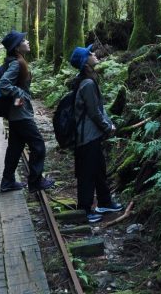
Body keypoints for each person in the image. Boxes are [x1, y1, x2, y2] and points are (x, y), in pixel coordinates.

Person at [68, 45, 123, 223]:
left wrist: (108, 125)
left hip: (91, 135)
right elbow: (94, 112)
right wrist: (108, 127)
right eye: (89, 53)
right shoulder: (88, 83)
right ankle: (84, 210)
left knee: (99, 170)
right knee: (87, 173)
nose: (94, 54)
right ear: (85, 63)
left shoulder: (87, 80)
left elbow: (98, 110)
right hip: (86, 137)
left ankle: (105, 202)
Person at [0, 29, 55, 193]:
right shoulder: (16, 63)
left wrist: (20, 94)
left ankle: (7, 182)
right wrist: (21, 93)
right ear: (17, 48)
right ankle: (35, 182)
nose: (28, 42)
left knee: (15, 149)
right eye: (24, 40)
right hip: (21, 115)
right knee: (38, 146)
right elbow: (3, 85)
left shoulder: (16, 61)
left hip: (16, 114)